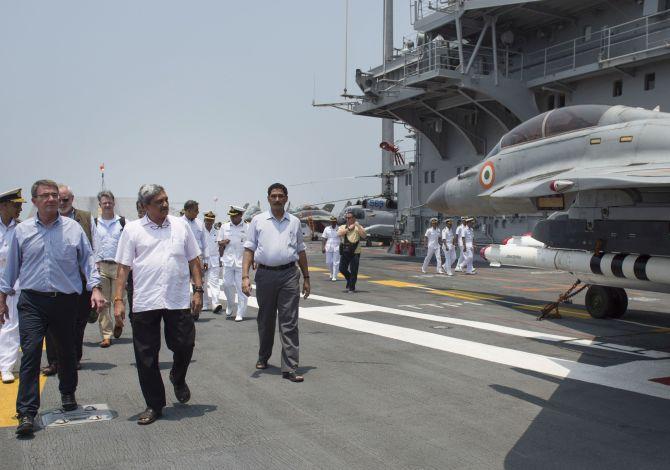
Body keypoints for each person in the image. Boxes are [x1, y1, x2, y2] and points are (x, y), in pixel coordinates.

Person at [0, 179, 106, 436]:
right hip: (32, 302)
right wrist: (2, 298)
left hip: (65, 301)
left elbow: (87, 260)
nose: (51, 199)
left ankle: (68, 393)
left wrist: (95, 287)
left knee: (67, 351)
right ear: (35, 201)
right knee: (32, 352)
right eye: (45, 196)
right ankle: (26, 412)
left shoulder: (73, 229)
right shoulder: (22, 231)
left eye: (54, 195)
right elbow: (11, 268)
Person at [113, 184, 203, 425]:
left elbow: (194, 260)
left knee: (185, 344)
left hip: (176, 298)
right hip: (145, 300)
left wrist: (198, 291)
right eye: (157, 202)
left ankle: (177, 375)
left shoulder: (181, 225)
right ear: (144, 207)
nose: (164, 205)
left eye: (165, 200)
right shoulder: (132, 230)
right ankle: (154, 404)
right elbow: (123, 267)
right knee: (146, 356)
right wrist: (119, 300)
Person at [242, 183, 310, 382]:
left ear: (286, 198)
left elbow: (301, 249)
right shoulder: (258, 221)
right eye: (274, 196)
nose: (278, 199)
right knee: (266, 319)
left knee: (289, 322)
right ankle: (264, 355)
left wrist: (306, 278)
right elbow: (249, 249)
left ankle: (290, 367)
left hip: (289, 275)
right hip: (265, 275)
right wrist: (245, 276)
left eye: (281, 196)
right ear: (268, 198)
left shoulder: (295, 222)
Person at [42, 184, 95, 376]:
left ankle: (74, 358)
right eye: (59, 199)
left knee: (78, 322)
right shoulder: (45, 219)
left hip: (79, 281)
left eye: (65, 200)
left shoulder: (86, 219)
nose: (61, 203)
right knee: (51, 324)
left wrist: (93, 283)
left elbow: (92, 249)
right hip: (53, 282)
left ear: (72, 199)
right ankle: (54, 362)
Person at [92, 190, 126, 347]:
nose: (107, 205)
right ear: (100, 205)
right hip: (102, 267)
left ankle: (119, 322)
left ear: (114, 203)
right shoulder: (94, 223)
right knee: (103, 303)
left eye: (109, 202)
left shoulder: (123, 223)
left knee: (119, 300)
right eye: (104, 203)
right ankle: (106, 335)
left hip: (119, 267)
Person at [0, 189, 25, 384]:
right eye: (16, 205)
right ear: (3, 206)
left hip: (11, 285)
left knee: (10, 326)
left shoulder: (21, 229)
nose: (20, 208)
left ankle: (6, 367)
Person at [218, 206, 248, 321]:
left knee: (241, 288)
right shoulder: (224, 227)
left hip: (242, 262)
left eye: (235, 215)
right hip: (228, 261)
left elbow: (251, 245)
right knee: (226, 284)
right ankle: (230, 304)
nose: (232, 217)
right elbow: (219, 242)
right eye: (231, 215)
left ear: (240, 215)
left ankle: (240, 312)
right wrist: (223, 242)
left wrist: (253, 260)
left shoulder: (247, 227)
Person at [182, 200, 209, 311]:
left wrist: (206, 259)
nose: (198, 212)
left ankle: (196, 310)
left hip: (197, 258)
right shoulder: (178, 223)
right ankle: (184, 308)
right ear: (188, 210)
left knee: (198, 284)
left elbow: (204, 241)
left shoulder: (199, 223)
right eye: (195, 210)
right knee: (183, 284)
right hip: (183, 259)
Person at [126, 200, 146, 316]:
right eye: (139, 208)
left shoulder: (156, 228)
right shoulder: (131, 228)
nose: (141, 211)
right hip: (134, 273)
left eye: (143, 208)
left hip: (148, 273)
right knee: (133, 304)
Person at [338, 211, 367, 293]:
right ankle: (350, 279)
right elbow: (339, 233)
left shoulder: (358, 227)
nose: (347, 219)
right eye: (346, 218)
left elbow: (364, 236)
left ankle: (351, 287)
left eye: (349, 218)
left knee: (354, 270)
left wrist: (357, 226)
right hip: (345, 251)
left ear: (354, 218)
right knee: (342, 269)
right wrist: (349, 229)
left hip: (355, 252)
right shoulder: (343, 227)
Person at [203, 211, 222, 313]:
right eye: (207, 220)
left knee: (214, 282)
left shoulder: (217, 232)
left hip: (214, 260)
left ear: (213, 221)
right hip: (203, 260)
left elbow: (220, 246)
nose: (209, 222)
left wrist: (221, 259)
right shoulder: (200, 231)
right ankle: (205, 303)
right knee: (203, 283)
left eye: (211, 221)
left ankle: (216, 303)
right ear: (204, 220)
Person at [321, 216, 340, 281]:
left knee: (336, 262)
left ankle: (334, 276)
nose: (333, 223)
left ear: (336, 222)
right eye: (332, 222)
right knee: (328, 262)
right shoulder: (327, 228)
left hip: (337, 246)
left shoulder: (339, 228)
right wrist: (323, 247)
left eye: (334, 222)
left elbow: (342, 238)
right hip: (328, 246)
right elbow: (324, 238)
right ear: (330, 222)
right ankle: (331, 273)